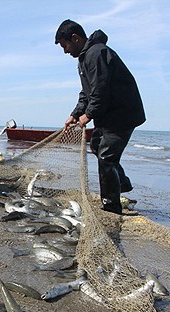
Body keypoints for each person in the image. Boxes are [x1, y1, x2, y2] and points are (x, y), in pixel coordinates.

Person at [55, 19, 145, 215]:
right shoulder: (84, 59)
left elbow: (101, 91)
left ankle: (111, 207)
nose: (65, 51)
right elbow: (86, 93)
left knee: (106, 157)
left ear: (75, 38)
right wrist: (75, 114)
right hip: (108, 114)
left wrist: (88, 115)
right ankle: (122, 183)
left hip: (122, 113)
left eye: (65, 45)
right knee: (97, 146)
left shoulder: (97, 54)